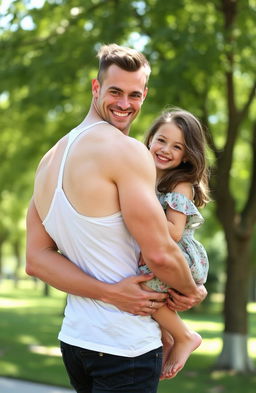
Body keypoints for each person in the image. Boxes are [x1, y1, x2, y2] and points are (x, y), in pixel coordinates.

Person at [26, 44, 207, 393]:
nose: (125, 104)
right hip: (126, 345)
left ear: (145, 95)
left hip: (76, 339)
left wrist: (108, 293)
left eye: (134, 95)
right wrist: (190, 291)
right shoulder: (126, 151)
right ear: (96, 88)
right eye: (115, 92)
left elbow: (37, 259)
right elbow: (159, 253)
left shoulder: (49, 161)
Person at [139, 107, 210, 379]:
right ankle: (167, 339)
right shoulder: (145, 177)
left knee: (146, 288)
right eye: (161, 140)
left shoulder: (180, 184)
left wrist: (143, 210)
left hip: (180, 255)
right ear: (150, 140)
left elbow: (174, 232)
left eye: (177, 146)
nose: (166, 149)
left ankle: (185, 336)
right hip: (162, 250)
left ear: (187, 155)